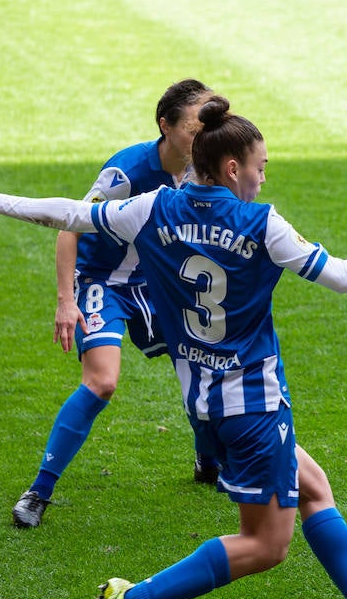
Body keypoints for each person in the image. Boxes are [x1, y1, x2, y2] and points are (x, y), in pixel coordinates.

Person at [0, 95, 347, 599]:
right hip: (254, 407)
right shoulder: (262, 224)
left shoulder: (153, 208)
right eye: (261, 166)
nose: (264, 177)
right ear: (232, 168)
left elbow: (71, 214)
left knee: (314, 486)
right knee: (265, 545)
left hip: (204, 405)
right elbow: (337, 276)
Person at [12, 79, 219, 529]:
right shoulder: (125, 173)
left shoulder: (199, 167)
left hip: (158, 283)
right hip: (102, 282)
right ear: (165, 126)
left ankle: (208, 459)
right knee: (102, 382)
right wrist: (66, 301)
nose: (201, 139)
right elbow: (70, 228)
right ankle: (39, 491)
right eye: (192, 130)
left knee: (203, 366)